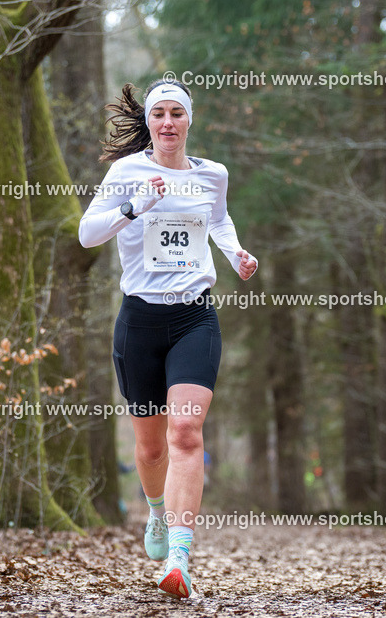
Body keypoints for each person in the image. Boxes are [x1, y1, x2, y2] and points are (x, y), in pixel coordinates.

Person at [78, 80, 257, 598]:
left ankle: (178, 558)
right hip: (140, 322)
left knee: (185, 435)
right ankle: (156, 514)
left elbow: (219, 221)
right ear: (150, 123)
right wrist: (133, 207)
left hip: (194, 319)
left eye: (177, 113)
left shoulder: (212, 175)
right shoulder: (126, 173)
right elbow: (87, 234)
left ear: (189, 120)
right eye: (159, 113)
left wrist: (236, 254)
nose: (168, 122)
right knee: (151, 446)